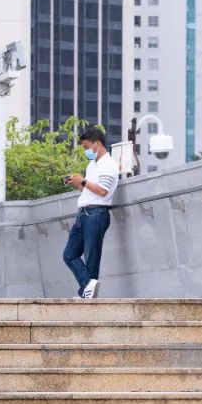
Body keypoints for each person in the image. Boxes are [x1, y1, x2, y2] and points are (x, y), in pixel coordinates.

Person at [62, 125, 119, 300]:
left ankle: (86, 293)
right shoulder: (92, 165)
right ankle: (87, 287)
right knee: (69, 255)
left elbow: (103, 191)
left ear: (97, 144)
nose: (86, 151)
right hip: (84, 213)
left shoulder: (109, 165)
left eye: (87, 147)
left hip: (97, 215)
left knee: (91, 257)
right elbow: (89, 190)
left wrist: (84, 182)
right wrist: (77, 183)